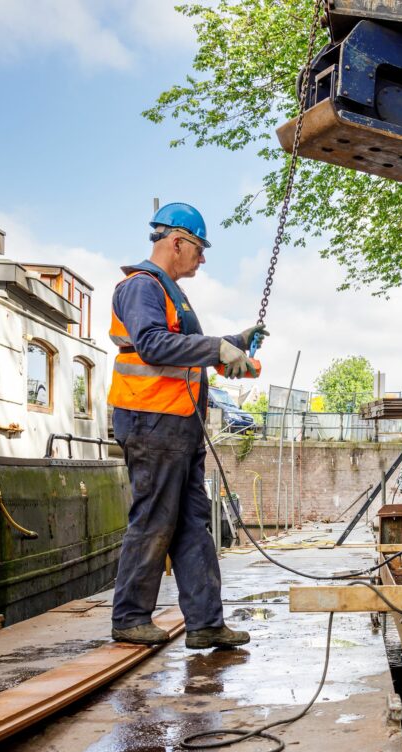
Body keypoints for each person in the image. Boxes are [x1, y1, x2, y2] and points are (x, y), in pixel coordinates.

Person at [107, 202, 263, 648]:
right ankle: (130, 617)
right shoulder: (142, 287)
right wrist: (218, 349)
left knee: (194, 523)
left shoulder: (167, 291)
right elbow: (154, 345)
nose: (203, 258)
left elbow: (180, 345)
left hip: (178, 425)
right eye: (199, 247)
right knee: (155, 519)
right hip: (152, 421)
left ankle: (205, 623)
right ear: (176, 241)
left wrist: (234, 343)